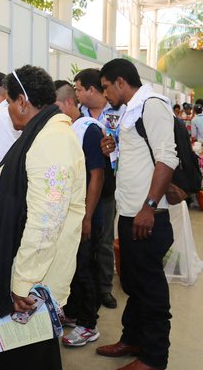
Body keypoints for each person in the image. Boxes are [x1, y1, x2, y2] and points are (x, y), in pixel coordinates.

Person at [0, 65, 85, 369]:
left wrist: (23, 281)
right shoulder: (41, 134)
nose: (8, 110)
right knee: (29, 356)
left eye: (9, 102)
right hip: (29, 272)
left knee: (27, 357)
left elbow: (46, 220)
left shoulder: (53, 140)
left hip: (34, 280)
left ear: (23, 101)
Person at [96, 58, 177, 370]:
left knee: (151, 290)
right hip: (130, 212)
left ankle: (154, 358)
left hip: (148, 216)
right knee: (133, 284)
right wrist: (112, 149)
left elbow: (166, 159)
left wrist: (150, 207)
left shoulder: (152, 105)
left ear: (120, 82)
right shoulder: (129, 110)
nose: (105, 95)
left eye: (106, 88)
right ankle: (133, 339)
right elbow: (138, 159)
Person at [54, 80, 106, 347]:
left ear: (68, 104)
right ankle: (74, 313)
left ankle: (89, 324)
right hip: (70, 213)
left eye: (55, 108)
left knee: (85, 267)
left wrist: (86, 217)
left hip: (86, 214)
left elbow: (97, 175)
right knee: (71, 266)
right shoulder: (69, 130)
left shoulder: (89, 131)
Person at [74, 68, 124, 309]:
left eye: (79, 89)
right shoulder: (77, 114)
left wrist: (115, 148)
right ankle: (84, 289)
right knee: (82, 241)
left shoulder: (119, 112)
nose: (76, 94)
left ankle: (104, 288)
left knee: (103, 239)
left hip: (107, 186)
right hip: (78, 187)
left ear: (91, 90)